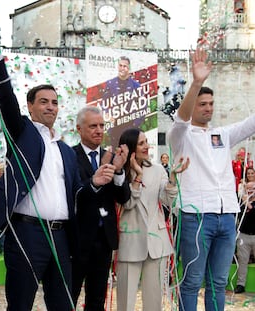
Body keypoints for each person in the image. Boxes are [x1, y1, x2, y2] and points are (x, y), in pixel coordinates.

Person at [0, 10, 117, 311]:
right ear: (30, 107)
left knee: (63, 305)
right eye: (43, 101)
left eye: (55, 102)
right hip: (26, 234)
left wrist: (93, 184)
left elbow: (77, 196)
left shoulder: (66, 151)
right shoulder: (22, 134)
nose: (50, 107)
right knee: (19, 305)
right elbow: (5, 96)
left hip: (61, 238)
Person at [167, 48, 255, 311]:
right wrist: (196, 83)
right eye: (202, 104)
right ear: (193, 105)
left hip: (227, 216)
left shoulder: (222, 134)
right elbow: (181, 120)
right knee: (192, 280)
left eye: (211, 104)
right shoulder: (179, 136)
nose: (208, 109)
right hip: (197, 217)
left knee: (218, 282)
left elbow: (251, 124)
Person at [116, 128, 189, 311]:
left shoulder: (157, 170)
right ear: (131, 147)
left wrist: (172, 177)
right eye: (141, 143)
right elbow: (128, 204)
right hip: (129, 242)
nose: (147, 146)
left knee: (154, 303)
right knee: (125, 302)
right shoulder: (119, 172)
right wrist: (138, 176)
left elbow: (168, 200)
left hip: (157, 244)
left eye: (146, 142)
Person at [71, 106, 131, 310]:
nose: (98, 130)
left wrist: (120, 170)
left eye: (101, 126)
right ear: (79, 129)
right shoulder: (69, 156)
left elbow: (123, 197)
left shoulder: (112, 157)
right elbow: (75, 194)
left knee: (97, 300)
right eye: (93, 126)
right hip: (76, 240)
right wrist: (95, 179)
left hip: (104, 239)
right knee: (68, 295)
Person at [103, 56, 142, 149]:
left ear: (129, 68)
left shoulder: (136, 86)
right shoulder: (110, 83)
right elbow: (104, 103)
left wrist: (135, 125)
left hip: (130, 127)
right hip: (114, 128)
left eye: (125, 66)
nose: (122, 68)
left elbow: (142, 106)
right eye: (120, 65)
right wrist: (108, 115)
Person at [235, 167, 255, 294]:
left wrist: (248, 202)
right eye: (248, 188)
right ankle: (240, 285)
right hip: (243, 234)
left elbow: (252, 211)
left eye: (252, 188)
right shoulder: (240, 202)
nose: (250, 190)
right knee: (242, 261)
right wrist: (243, 197)